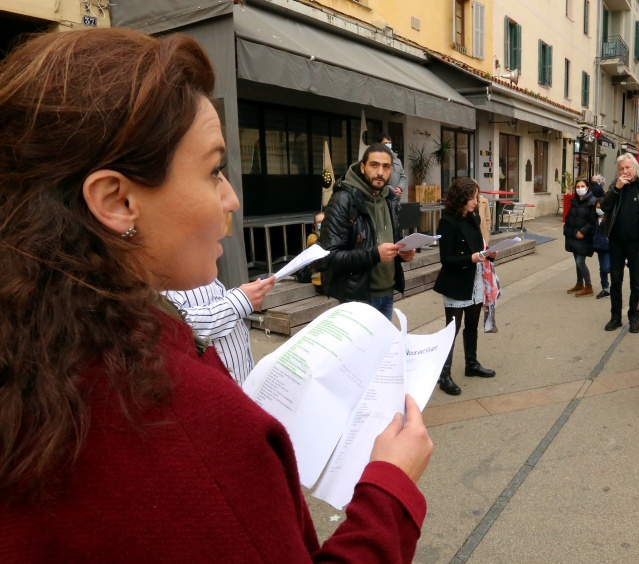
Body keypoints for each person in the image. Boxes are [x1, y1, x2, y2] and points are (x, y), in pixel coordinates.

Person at [0, 28, 431, 561]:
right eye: (212, 170)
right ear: (116, 200)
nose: (230, 198)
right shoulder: (185, 425)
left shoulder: (39, 346)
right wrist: (389, 488)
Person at [320, 144, 415, 320]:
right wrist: (374, 255)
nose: (380, 171)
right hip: (358, 299)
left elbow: (390, 242)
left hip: (387, 294)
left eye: (386, 167)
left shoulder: (390, 199)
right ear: (363, 167)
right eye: (374, 165)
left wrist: (403, 253)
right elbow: (328, 257)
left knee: (382, 348)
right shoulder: (343, 199)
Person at [433, 177, 499, 395]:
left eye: (477, 196)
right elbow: (446, 259)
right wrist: (472, 258)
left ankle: (471, 364)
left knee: (472, 324)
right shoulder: (448, 221)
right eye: (472, 197)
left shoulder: (472, 217)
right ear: (461, 197)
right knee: (452, 329)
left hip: (475, 279)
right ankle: (444, 375)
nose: (476, 201)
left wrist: (488, 253)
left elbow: (477, 245)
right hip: (456, 282)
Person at [163, 276, 275, 385]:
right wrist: (236, 303)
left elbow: (211, 302)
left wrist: (242, 296)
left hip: (237, 380)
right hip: (215, 387)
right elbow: (172, 323)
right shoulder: (161, 278)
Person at [600, 154, 639, 333]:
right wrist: (616, 189)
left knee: (636, 283)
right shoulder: (614, 186)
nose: (625, 171)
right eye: (621, 169)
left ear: (635, 168)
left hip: (637, 244)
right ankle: (615, 317)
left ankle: (634, 317)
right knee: (615, 281)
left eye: (628, 168)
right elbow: (604, 207)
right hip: (616, 242)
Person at [564, 178, 599, 297]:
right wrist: (567, 231)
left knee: (580, 261)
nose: (580, 189)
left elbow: (593, 220)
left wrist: (583, 231)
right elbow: (569, 217)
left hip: (585, 237)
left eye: (582, 186)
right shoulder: (574, 201)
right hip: (573, 236)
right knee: (576, 261)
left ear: (587, 188)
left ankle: (588, 286)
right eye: (577, 187)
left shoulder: (592, 202)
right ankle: (579, 283)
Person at [594, 202, 612, 299]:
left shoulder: (609, 219)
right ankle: (605, 289)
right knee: (602, 269)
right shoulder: (595, 219)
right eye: (597, 207)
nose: (598, 209)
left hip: (608, 247)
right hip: (599, 247)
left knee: (606, 268)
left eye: (600, 207)